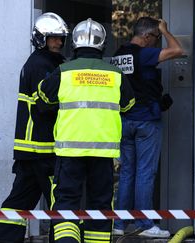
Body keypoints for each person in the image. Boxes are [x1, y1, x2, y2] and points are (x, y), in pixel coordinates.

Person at [36, 18, 135, 243]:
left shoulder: (62, 71)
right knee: (100, 205)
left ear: (74, 43)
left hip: (70, 151)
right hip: (103, 153)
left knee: (66, 202)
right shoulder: (116, 74)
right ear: (102, 44)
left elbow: (42, 98)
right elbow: (129, 104)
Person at [110, 17, 183, 237]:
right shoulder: (144, 54)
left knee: (126, 174)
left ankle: (120, 224)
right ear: (146, 36)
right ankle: (144, 223)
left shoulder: (118, 56)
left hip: (124, 121)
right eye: (156, 37)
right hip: (146, 122)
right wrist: (166, 30)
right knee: (145, 173)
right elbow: (178, 50)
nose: (156, 41)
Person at [0, 12, 68, 243]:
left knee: (18, 202)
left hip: (31, 150)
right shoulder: (41, 64)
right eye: (54, 38)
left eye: (60, 38)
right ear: (41, 39)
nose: (58, 42)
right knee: (61, 200)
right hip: (42, 148)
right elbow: (46, 103)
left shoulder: (48, 62)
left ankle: (5, 237)